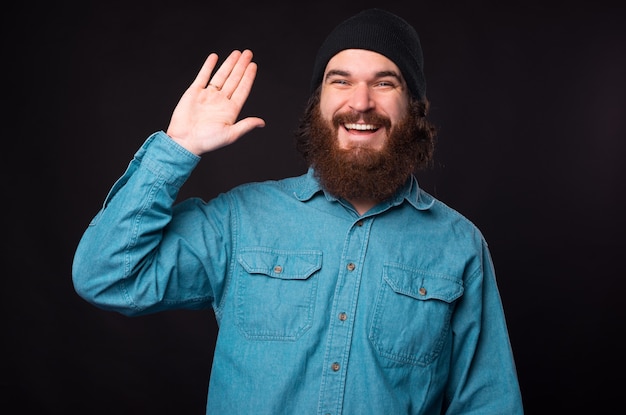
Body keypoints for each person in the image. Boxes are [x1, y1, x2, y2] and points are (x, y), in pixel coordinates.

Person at [72, 8, 524, 414]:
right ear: (318, 105)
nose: (361, 102)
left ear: (414, 108)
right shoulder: (239, 219)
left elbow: (489, 404)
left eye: (385, 82)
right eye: (340, 80)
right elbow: (107, 274)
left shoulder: (459, 245)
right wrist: (177, 148)